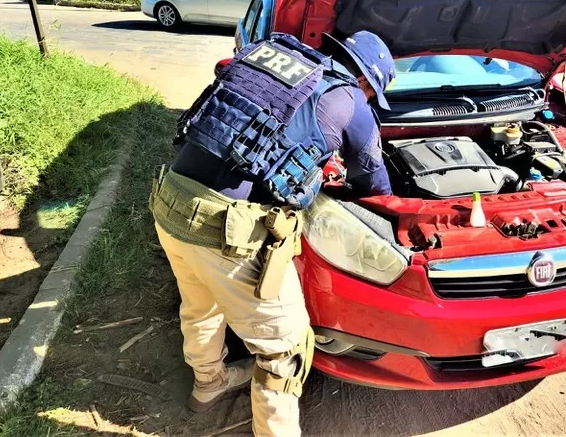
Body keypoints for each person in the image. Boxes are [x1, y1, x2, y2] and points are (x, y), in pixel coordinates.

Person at [149, 30, 396, 436]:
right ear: (367, 82)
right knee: (286, 349)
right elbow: (374, 184)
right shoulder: (352, 101)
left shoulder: (275, 62)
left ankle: (207, 385)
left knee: (201, 305)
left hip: (172, 201)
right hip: (226, 231)